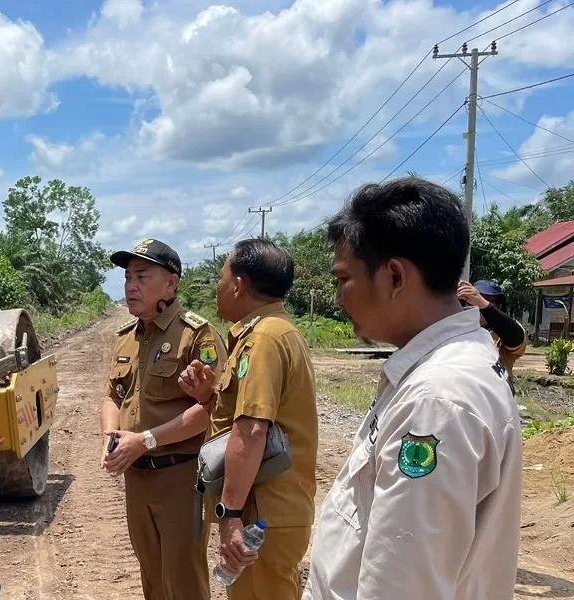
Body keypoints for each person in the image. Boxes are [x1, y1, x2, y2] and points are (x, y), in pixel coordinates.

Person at [305, 177, 522, 599]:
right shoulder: (454, 365)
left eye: (344, 279)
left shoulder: (436, 400)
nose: (337, 298)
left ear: (394, 276)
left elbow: (400, 585)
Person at [177, 238, 318, 600]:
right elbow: (247, 417)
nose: (218, 287)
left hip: (261, 512)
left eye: (221, 277)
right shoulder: (267, 332)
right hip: (267, 509)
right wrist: (209, 396)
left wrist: (230, 514)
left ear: (238, 285)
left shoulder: (265, 338)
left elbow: (252, 430)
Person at [100, 237, 228, 600]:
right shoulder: (127, 338)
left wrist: (144, 440)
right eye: (127, 278)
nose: (130, 286)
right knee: (152, 578)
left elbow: (210, 410)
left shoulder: (196, 335)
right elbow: (112, 394)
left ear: (171, 283)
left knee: (183, 579)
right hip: (137, 478)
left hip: (180, 477)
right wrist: (112, 437)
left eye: (142, 276)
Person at [458, 279, 528, 373]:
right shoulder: (460, 329)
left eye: (488, 299)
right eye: (471, 299)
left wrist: (483, 304)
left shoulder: (503, 331)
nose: (476, 304)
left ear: (498, 306)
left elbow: (516, 337)